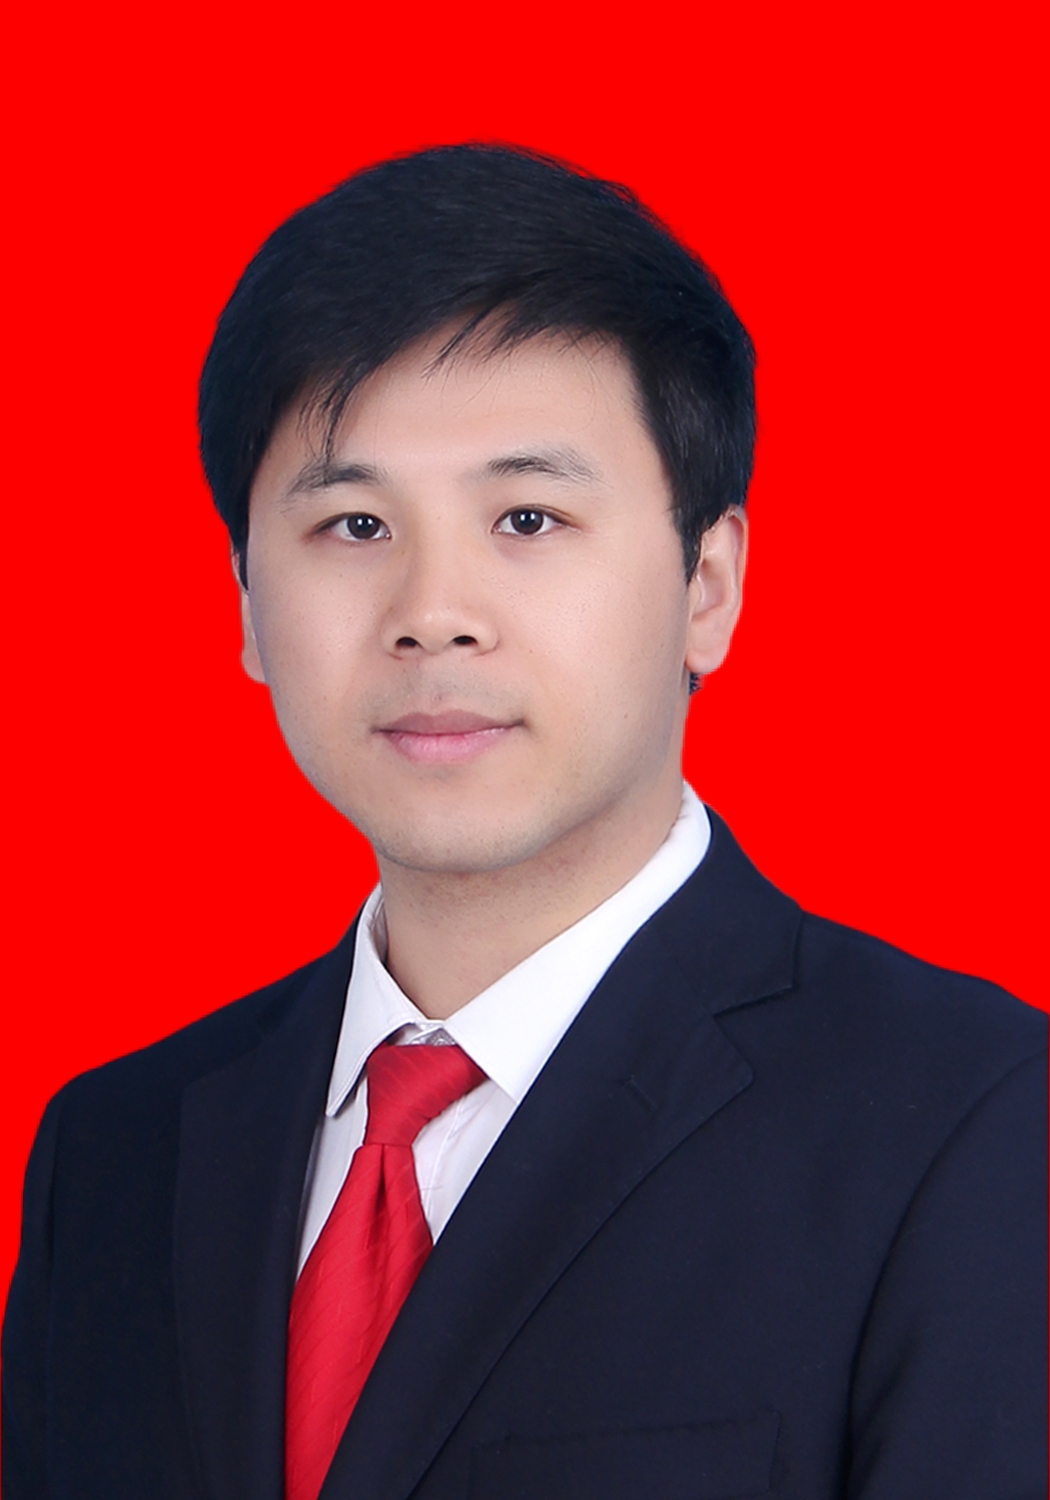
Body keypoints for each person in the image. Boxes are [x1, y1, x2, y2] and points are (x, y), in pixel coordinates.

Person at [2, 143, 1045, 1500]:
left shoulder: (975, 1120)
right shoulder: (114, 1152)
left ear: (707, 586)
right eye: (354, 525)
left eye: (529, 517)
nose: (433, 613)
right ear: (248, 603)